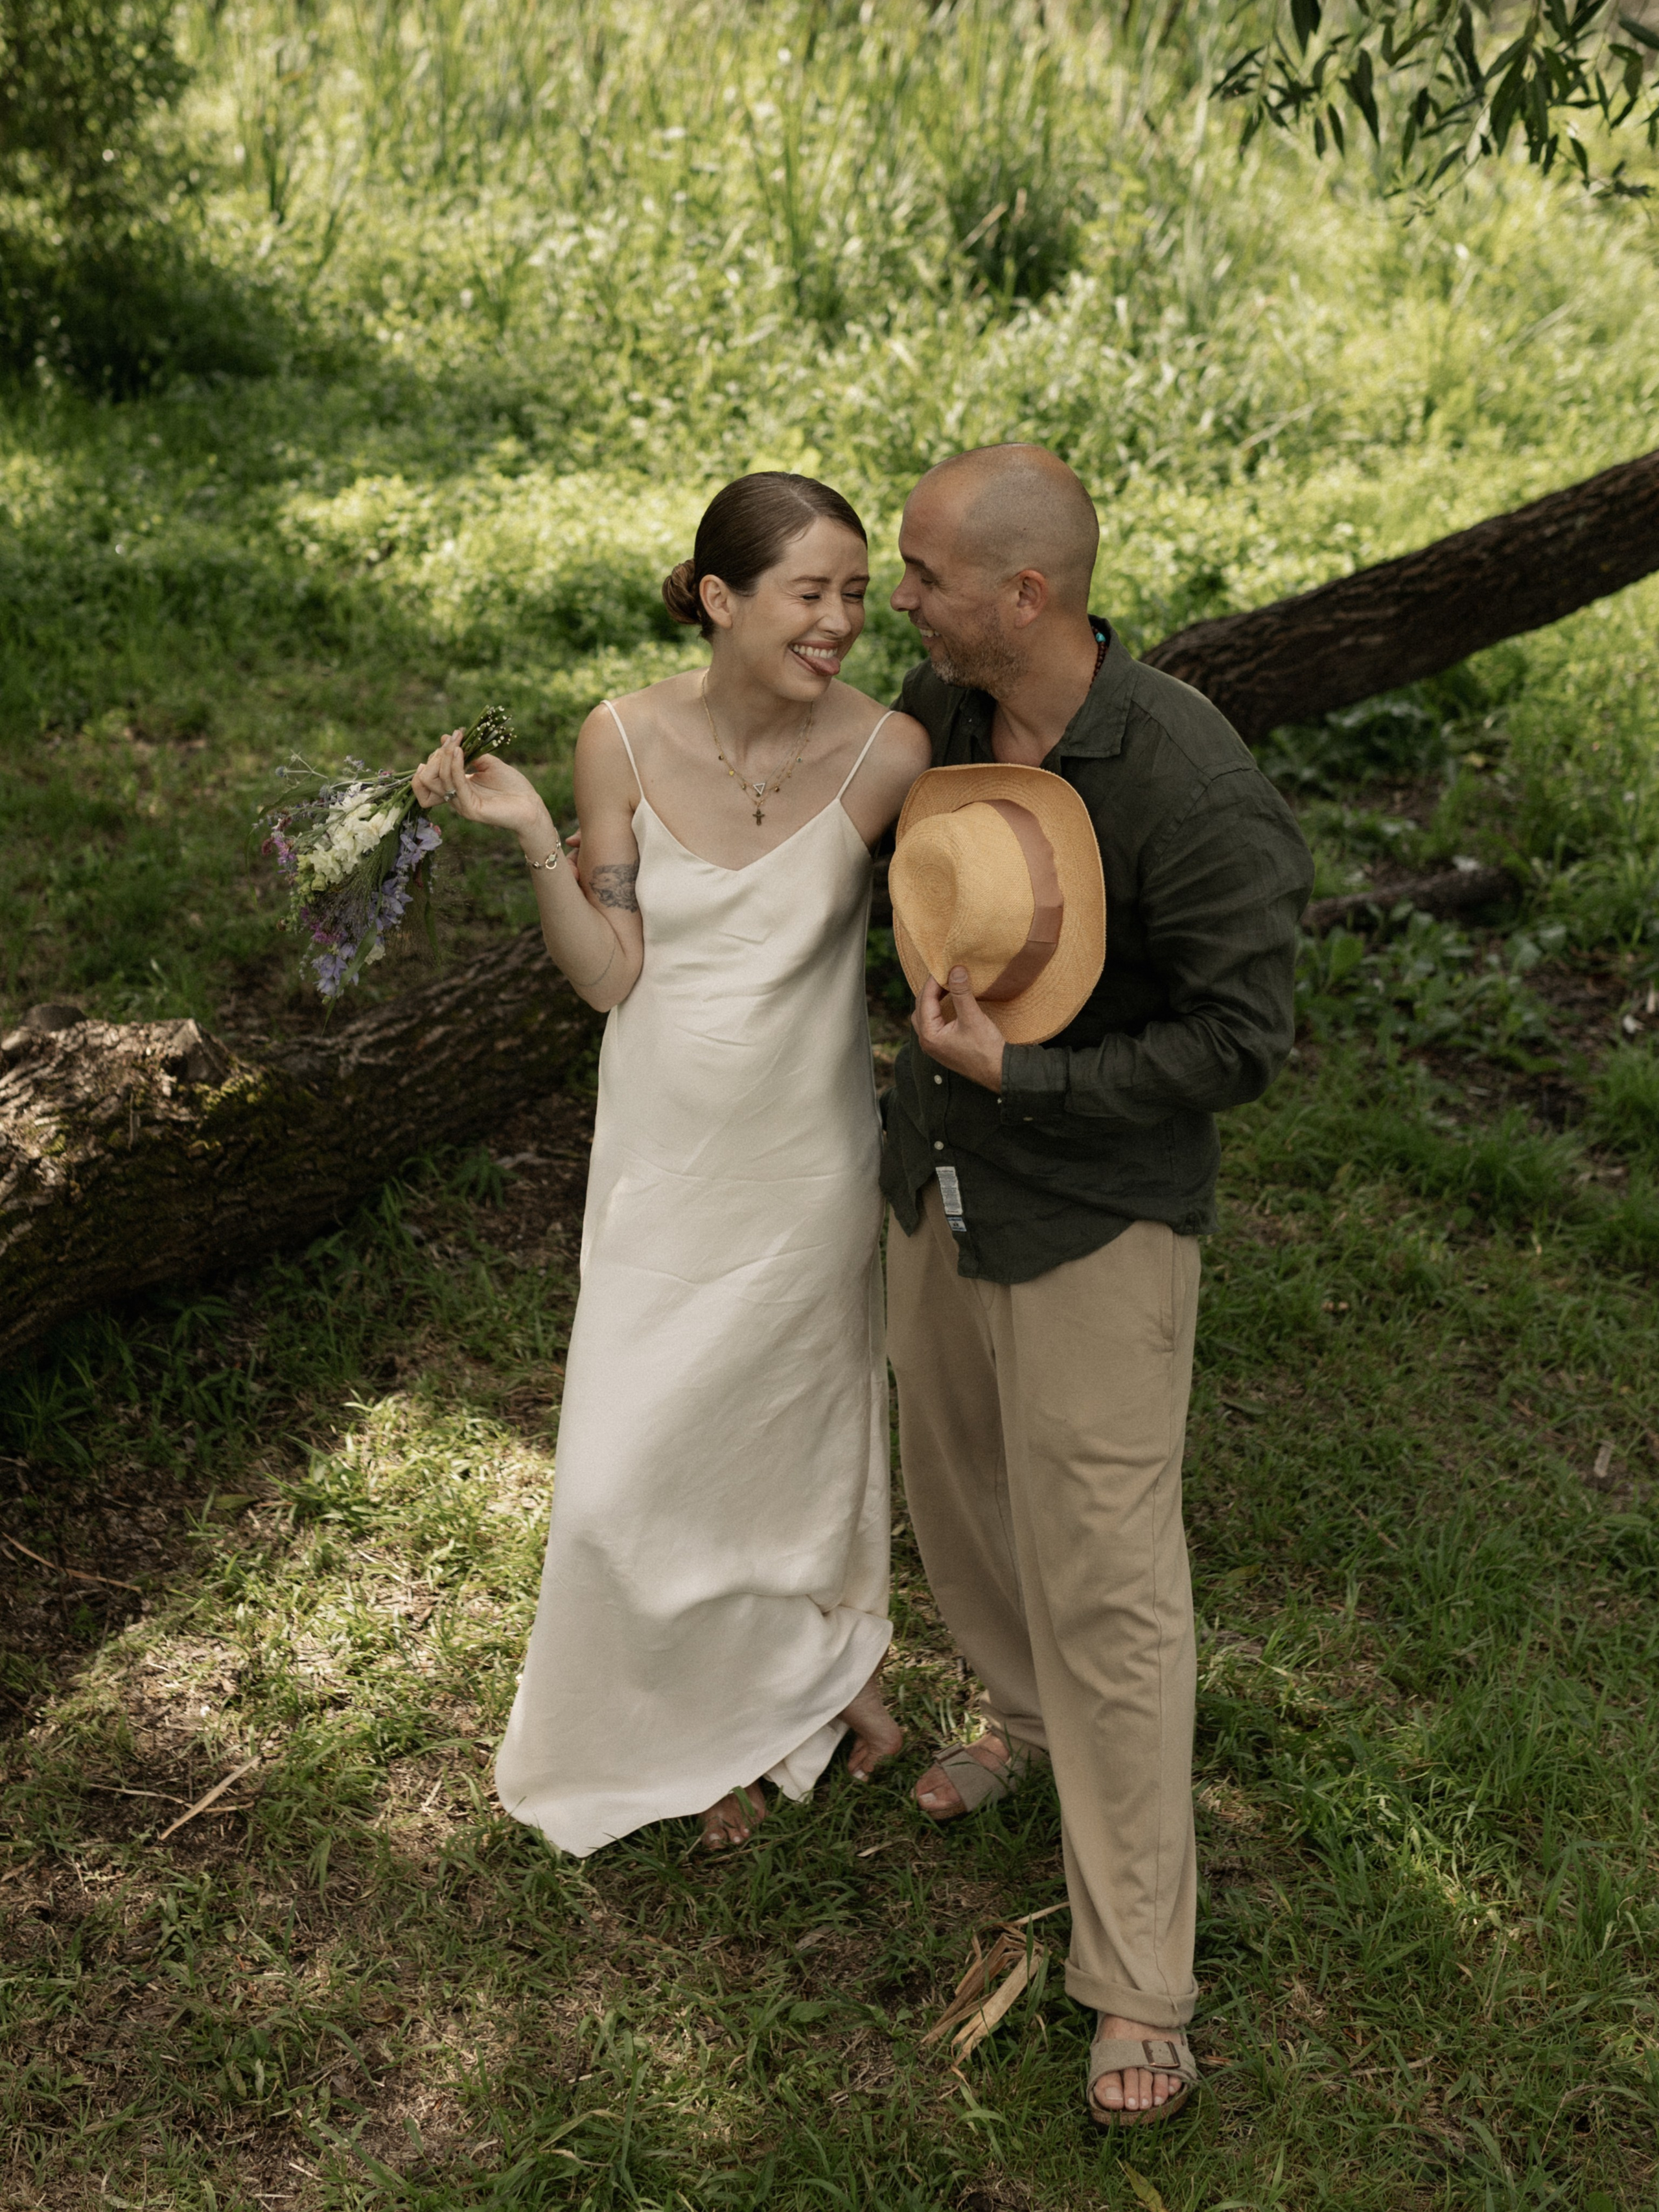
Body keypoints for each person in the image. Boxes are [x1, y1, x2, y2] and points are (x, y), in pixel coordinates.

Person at [880, 444, 1313, 2126]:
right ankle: (1021, 1714)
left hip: (1094, 1213)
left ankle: (1139, 1981)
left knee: (1114, 1588)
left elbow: (1242, 1041)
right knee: (959, 1486)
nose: (901, 601)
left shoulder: (1188, 784)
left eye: (924, 574)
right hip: (936, 1175)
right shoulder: (948, 701)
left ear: (1025, 595)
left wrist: (1028, 1080)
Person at [412, 472, 931, 1854]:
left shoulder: (893, 753)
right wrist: (536, 834)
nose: (839, 623)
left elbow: (964, 918)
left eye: (855, 596)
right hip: (664, 1158)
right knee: (628, 1470)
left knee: (781, 1447)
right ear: (719, 597)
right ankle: (664, 1717)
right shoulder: (621, 739)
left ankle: (793, 1690)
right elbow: (609, 974)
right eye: (808, 593)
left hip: (807, 1163)